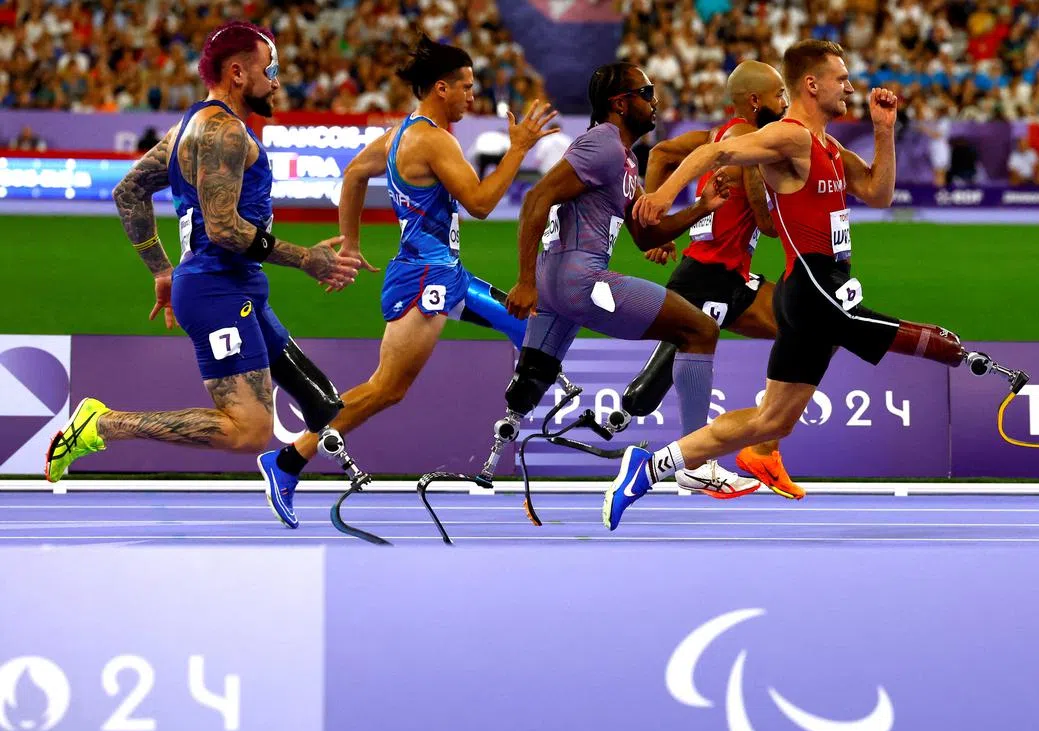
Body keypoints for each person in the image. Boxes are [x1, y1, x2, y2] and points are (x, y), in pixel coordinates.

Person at [603, 40, 1028, 529]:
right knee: (899, 337)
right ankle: (963, 354)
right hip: (812, 289)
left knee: (771, 422)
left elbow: (879, 193)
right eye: (841, 78)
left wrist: (883, 132)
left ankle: (649, 467)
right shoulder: (791, 138)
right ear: (811, 84)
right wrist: (661, 195)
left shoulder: (830, 147)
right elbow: (715, 151)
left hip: (818, 288)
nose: (850, 86)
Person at [45, 22, 362, 520]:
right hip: (217, 291)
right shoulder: (223, 131)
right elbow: (224, 230)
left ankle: (285, 473)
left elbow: (127, 192)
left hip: (234, 285)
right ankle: (102, 425)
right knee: (251, 429)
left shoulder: (188, 127)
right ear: (238, 73)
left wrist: (161, 270)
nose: (277, 82)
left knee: (322, 401)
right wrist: (307, 259)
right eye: (270, 70)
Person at [256, 33, 562, 525]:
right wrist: (518, 150)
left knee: (528, 324)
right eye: (465, 85)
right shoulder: (432, 141)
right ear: (440, 88)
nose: (472, 94)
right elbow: (481, 204)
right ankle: (289, 459)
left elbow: (355, 172)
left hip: (446, 271)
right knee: (386, 388)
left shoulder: (405, 133)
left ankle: (533, 404)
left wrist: (350, 242)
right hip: (426, 276)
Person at [484, 62, 751, 499]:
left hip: (559, 286)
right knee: (700, 330)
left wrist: (702, 207)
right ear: (620, 103)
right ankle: (697, 463)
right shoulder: (604, 145)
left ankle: (489, 461)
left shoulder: (623, 157)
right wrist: (523, 280)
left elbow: (645, 233)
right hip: (578, 281)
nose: (655, 101)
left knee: (532, 379)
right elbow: (537, 198)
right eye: (646, 93)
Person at [621, 59, 804, 499]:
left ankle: (764, 444)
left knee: (808, 333)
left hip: (731, 274)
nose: (785, 102)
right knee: (642, 397)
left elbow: (662, 153)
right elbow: (765, 222)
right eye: (780, 94)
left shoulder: (715, 137)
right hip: (707, 274)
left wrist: (657, 222)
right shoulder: (749, 142)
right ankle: (657, 451)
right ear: (756, 101)